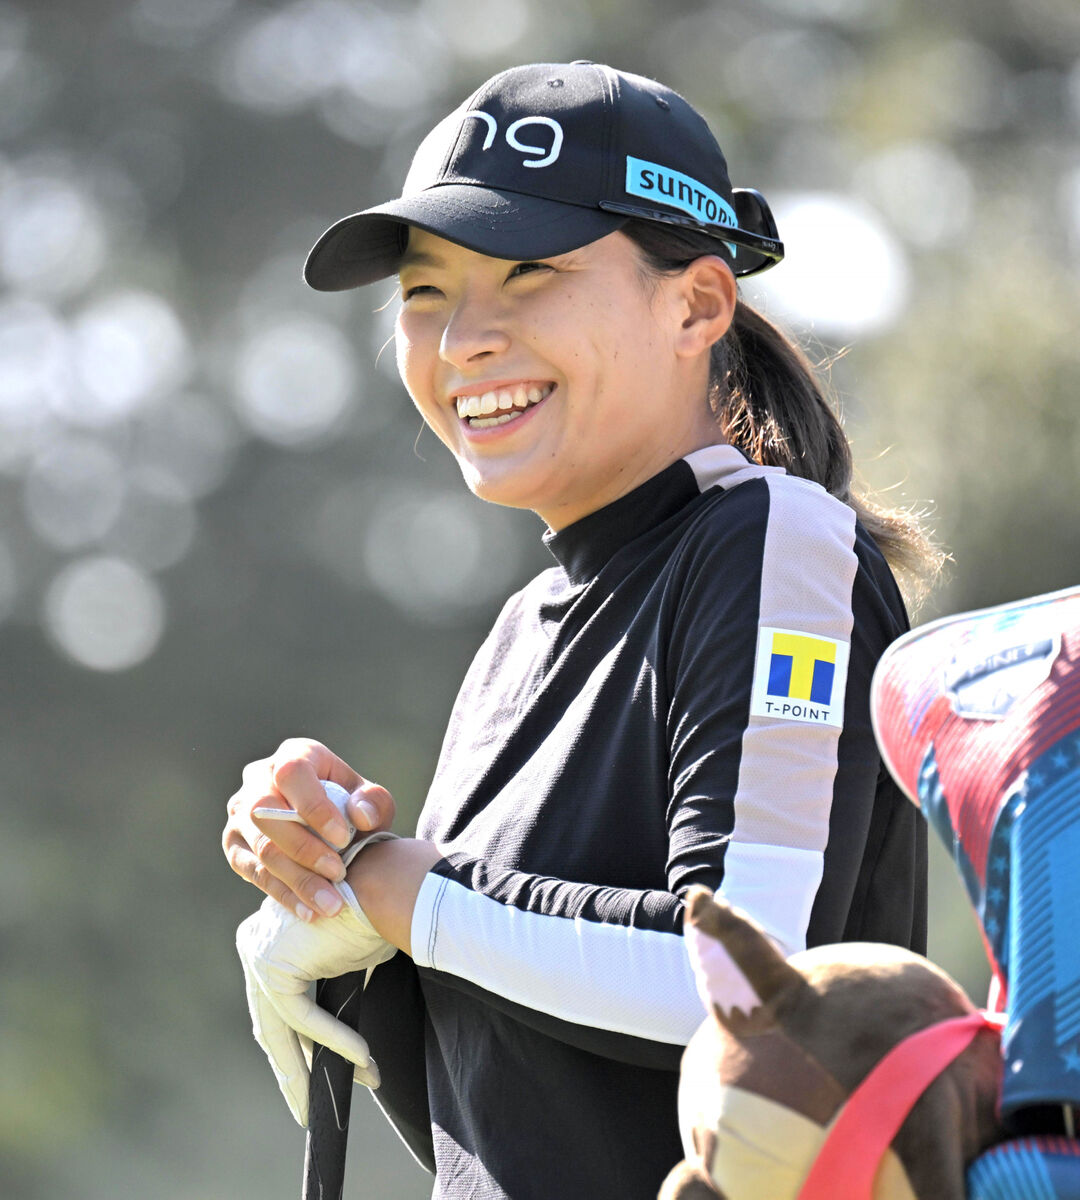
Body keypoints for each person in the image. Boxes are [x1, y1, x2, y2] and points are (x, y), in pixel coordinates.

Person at [222, 60, 942, 1200]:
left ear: (697, 304)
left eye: (531, 275)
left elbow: (747, 990)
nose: (463, 340)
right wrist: (326, 890)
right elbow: (511, 1114)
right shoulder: (516, 634)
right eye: (425, 292)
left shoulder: (771, 543)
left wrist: (403, 893)